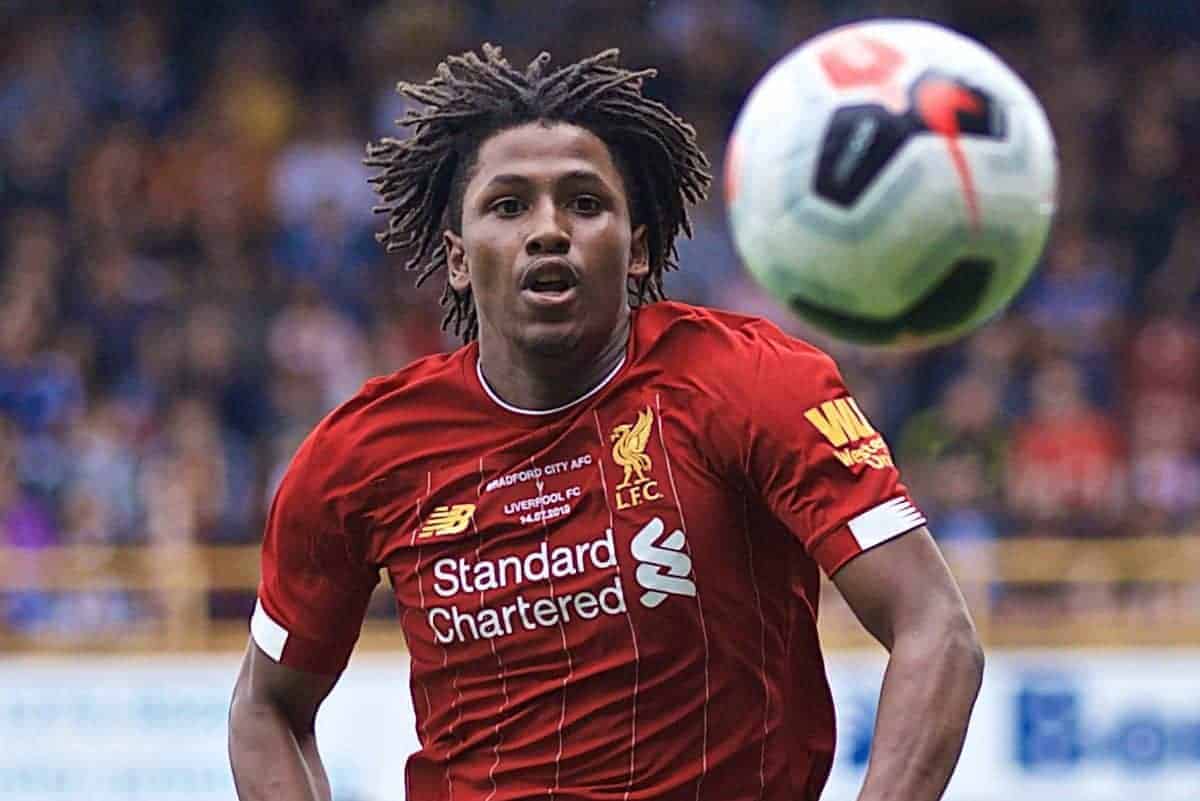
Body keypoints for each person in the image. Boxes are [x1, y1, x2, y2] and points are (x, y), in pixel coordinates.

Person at [228, 45, 984, 801]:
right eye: (508, 204)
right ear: (457, 258)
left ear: (639, 250)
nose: (549, 229)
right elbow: (266, 704)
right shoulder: (362, 454)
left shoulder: (749, 384)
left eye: (585, 203)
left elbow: (935, 629)